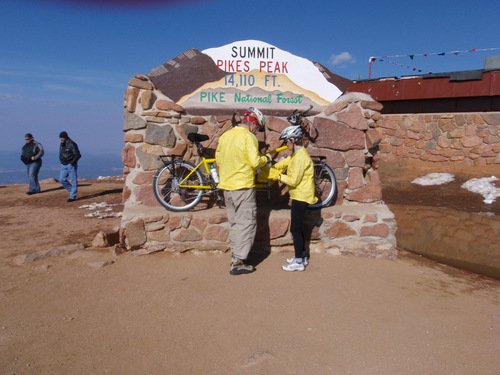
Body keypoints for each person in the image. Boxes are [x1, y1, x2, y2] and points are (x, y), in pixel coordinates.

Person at [215, 107, 270, 275]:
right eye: (258, 128)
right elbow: (255, 161)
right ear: (253, 124)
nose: (257, 131)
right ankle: (239, 261)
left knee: (234, 223)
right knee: (246, 223)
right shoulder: (248, 137)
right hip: (243, 186)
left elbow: (218, 160)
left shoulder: (226, 135)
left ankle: (236, 255)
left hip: (227, 187)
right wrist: (265, 159)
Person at [267, 125, 317, 272]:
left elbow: (293, 180)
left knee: (295, 229)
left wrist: (277, 175)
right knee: (298, 228)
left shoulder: (300, 156)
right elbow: (287, 162)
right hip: (299, 195)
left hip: (301, 196)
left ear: (293, 139)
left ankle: (299, 262)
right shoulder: (297, 154)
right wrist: (276, 167)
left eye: (287, 141)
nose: (286, 145)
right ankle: (301, 256)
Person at [59, 131, 81, 202]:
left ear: (65, 137)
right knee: (62, 179)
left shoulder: (72, 144)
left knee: (73, 180)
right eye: (60, 138)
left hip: (71, 164)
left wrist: (72, 163)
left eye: (62, 138)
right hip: (63, 164)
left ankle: (72, 196)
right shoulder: (62, 144)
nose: (61, 139)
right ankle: (72, 190)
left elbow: (77, 154)